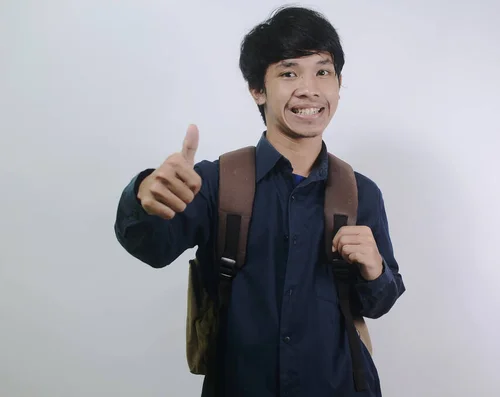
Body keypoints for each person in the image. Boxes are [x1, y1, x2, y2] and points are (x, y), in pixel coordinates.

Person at [114, 5, 405, 397]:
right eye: (289, 72)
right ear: (257, 88)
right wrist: (144, 197)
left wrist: (375, 270)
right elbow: (153, 248)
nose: (310, 89)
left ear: (338, 84)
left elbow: (378, 302)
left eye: (323, 71)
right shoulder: (218, 181)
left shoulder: (359, 191)